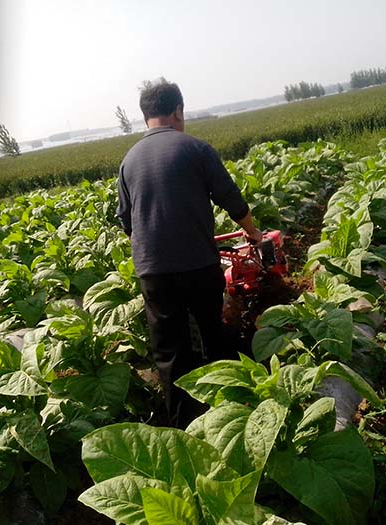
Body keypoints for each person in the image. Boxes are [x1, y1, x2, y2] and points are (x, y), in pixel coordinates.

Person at [116, 79, 262, 421]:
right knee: (213, 332)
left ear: (145, 116)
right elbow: (231, 199)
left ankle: (184, 428)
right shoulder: (196, 149)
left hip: (153, 272)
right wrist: (252, 232)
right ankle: (230, 412)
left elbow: (127, 223)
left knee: (170, 352)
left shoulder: (128, 161)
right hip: (198, 265)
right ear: (178, 110)